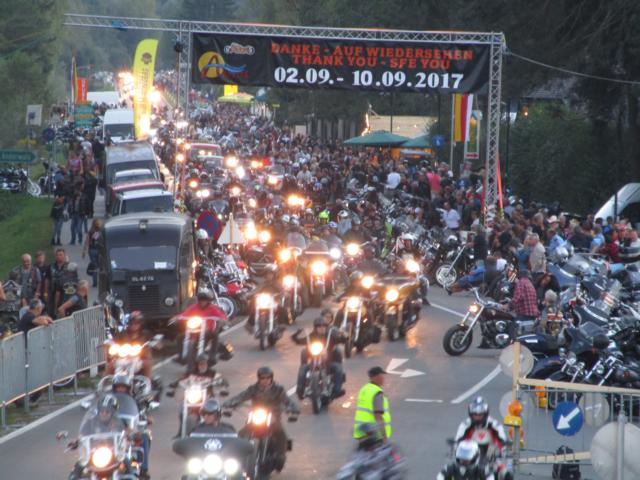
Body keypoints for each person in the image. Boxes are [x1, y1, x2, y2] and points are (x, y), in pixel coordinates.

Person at [223, 367, 300, 472]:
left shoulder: (278, 389)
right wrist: (228, 404)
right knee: (242, 433)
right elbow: (241, 397)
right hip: (256, 417)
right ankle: (237, 456)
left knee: (280, 433)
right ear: (259, 378)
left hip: (273, 417)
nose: (265, 380)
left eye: (268, 378)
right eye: (263, 378)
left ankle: (281, 456)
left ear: (271, 378)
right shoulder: (253, 389)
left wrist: (293, 409)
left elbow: (287, 401)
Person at [291, 317, 346, 400]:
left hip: (329, 362)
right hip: (314, 361)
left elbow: (342, 340)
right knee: (303, 367)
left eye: (324, 326)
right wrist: (296, 334)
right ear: (315, 328)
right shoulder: (311, 336)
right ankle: (300, 390)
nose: (322, 328)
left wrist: (343, 335)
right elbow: (299, 341)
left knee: (338, 368)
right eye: (319, 326)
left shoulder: (330, 336)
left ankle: (337, 390)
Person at [179, 289, 228, 366]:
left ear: (208, 301)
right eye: (201, 300)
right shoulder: (194, 307)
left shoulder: (213, 308)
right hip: (195, 329)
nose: (202, 302)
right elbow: (184, 314)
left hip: (208, 330)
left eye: (204, 300)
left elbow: (221, 315)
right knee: (180, 337)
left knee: (215, 336)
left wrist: (223, 319)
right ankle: (181, 356)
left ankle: (212, 356)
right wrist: (176, 318)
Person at [353, 366, 392, 446]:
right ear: (376, 377)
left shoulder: (364, 389)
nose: (383, 378)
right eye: (382, 375)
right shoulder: (377, 392)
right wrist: (384, 436)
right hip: (374, 434)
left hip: (361, 431)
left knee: (364, 453)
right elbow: (378, 416)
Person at [44, 248, 68, 316]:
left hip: (64, 293)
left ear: (64, 256)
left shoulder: (69, 266)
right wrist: (45, 292)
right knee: (51, 310)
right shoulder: (50, 266)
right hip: (52, 291)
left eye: (60, 255)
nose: (58, 256)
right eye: (57, 255)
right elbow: (47, 280)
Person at [83, 219, 102, 287]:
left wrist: (84, 250)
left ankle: (95, 282)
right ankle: (100, 281)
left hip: (92, 250)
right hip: (100, 250)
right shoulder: (102, 231)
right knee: (99, 266)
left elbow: (87, 241)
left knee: (94, 266)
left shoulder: (91, 231)